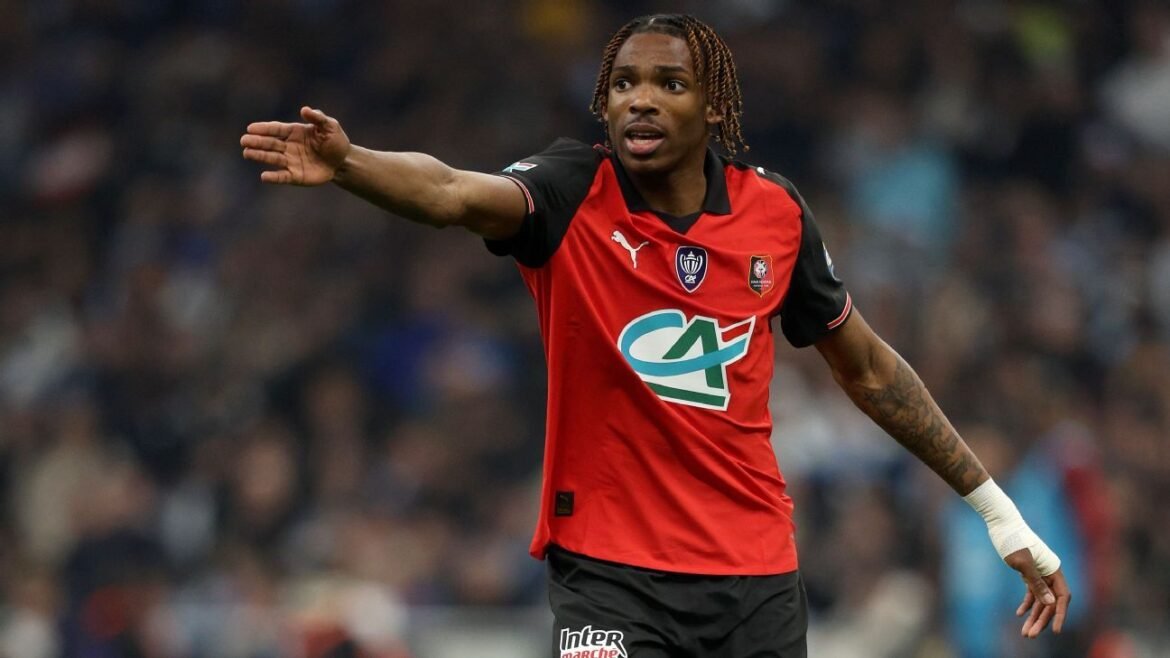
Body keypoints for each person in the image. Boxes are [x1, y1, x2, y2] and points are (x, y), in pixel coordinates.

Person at [240, 13, 1071, 657]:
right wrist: (351, 164)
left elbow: (872, 372)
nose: (640, 98)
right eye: (624, 83)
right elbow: (453, 192)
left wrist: (996, 512)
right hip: (610, 576)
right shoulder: (569, 191)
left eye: (669, 83)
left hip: (754, 576)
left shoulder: (775, 216)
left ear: (714, 107)